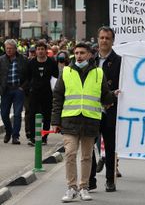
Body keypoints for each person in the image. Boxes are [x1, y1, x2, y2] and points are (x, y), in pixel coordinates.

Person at [51, 43, 119, 202]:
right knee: (70, 153)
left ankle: (84, 187)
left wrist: (113, 95)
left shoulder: (98, 73)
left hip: (90, 120)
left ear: (89, 54)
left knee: (87, 157)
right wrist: (55, 121)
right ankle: (71, 187)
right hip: (70, 120)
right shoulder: (66, 72)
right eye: (76, 53)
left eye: (82, 53)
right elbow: (58, 97)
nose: (79, 56)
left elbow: (104, 96)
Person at [89, 27, 122, 192]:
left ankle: (110, 180)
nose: (104, 41)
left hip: (110, 110)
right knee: (89, 146)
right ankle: (91, 179)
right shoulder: (91, 60)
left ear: (112, 40)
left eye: (107, 38)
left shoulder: (120, 61)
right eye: (101, 37)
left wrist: (113, 96)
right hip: (91, 110)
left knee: (110, 147)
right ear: (97, 39)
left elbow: (122, 86)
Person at [25, 41, 59, 146]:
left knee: (47, 115)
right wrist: (29, 88)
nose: (40, 51)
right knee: (32, 114)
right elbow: (27, 77)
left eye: (42, 49)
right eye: (38, 49)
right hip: (34, 92)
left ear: (46, 51)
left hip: (47, 92)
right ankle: (32, 137)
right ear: (36, 51)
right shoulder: (31, 63)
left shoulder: (51, 62)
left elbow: (56, 75)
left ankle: (44, 137)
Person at [0, 39, 29, 145]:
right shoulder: (1, 60)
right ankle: (9, 131)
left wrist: (23, 87)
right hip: (5, 90)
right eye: (7, 48)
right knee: (4, 114)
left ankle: (15, 136)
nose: (8, 50)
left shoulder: (23, 59)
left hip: (18, 89)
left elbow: (28, 76)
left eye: (11, 48)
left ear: (15, 49)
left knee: (17, 114)